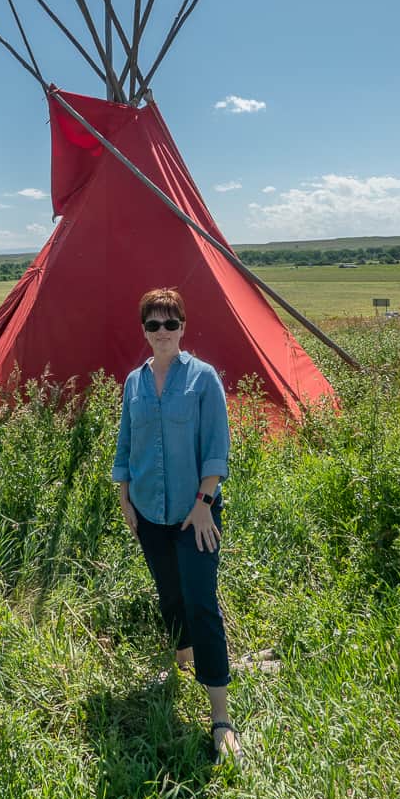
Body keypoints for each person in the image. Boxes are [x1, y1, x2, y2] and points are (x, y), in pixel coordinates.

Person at [111, 287, 241, 763]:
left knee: (201, 601)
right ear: (143, 331)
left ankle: (221, 717)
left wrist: (205, 501)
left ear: (183, 327)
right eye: (153, 324)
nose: (162, 332)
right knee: (169, 595)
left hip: (195, 513)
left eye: (170, 324)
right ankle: (183, 667)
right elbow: (125, 443)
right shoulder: (134, 383)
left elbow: (216, 447)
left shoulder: (202, 380)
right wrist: (124, 498)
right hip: (149, 510)